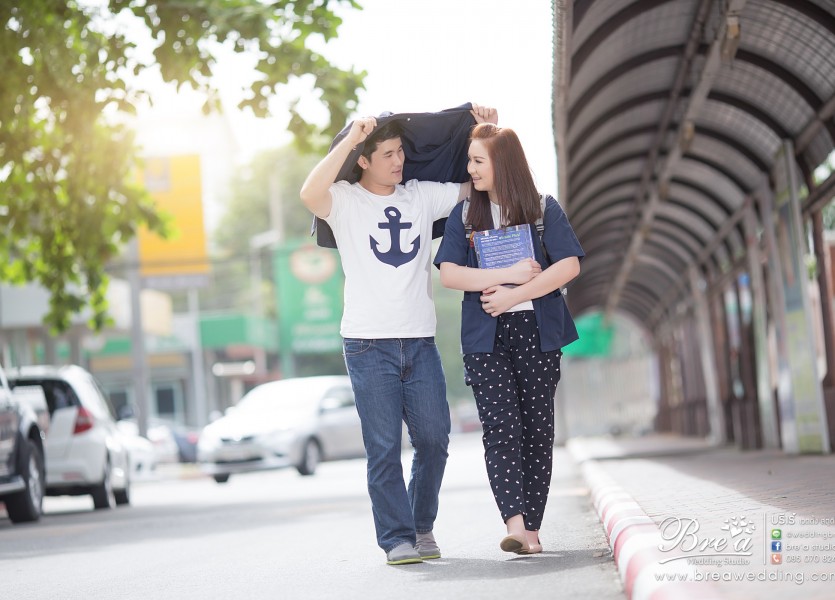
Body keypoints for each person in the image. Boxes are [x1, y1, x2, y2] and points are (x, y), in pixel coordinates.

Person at [300, 105, 498, 565]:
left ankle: (420, 523)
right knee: (384, 447)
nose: (398, 161)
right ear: (364, 161)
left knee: (434, 439)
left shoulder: (420, 196)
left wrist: (488, 132)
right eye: (387, 154)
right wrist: (352, 138)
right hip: (368, 345)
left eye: (401, 152)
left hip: (420, 341)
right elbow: (309, 193)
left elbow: (479, 184)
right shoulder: (345, 200)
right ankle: (397, 538)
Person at [434, 122, 583, 555]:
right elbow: (450, 274)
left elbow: (568, 265)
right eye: (471, 160)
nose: (471, 169)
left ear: (503, 163)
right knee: (502, 428)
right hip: (486, 336)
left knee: (537, 430)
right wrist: (506, 276)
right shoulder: (465, 215)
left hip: (537, 333)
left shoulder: (541, 210)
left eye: (478, 161)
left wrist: (515, 295)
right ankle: (515, 526)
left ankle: (532, 531)